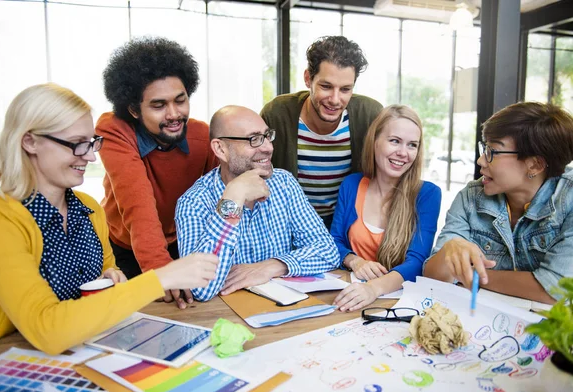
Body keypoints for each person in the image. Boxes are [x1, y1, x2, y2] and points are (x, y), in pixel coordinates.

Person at [0, 83, 218, 354]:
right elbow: (47, 328)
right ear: (30, 142)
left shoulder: (89, 209)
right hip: (13, 362)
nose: (90, 155)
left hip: (83, 353)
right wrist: (161, 278)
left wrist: (114, 277)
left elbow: (109, 271)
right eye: (76, 144)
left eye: (91, 142)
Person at [424, 102, 573, 303]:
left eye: (492, 151)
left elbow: (556, 288)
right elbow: (433, 276)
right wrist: (449, 250)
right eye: (484, 148)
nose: (481, 161)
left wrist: (472, 275)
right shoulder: (470, 197)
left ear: (535, 165)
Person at [97, 37, 217, 309]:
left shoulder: (204, 136)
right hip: (126, 247)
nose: (174, 114)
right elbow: (138, 206)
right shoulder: (114, 130)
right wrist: (160, 271)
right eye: (158, 105)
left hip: (181, 243)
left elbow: (216, 200)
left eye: (180, 100)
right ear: (133, 110)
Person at [175, 105, 340, 301]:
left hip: (286, 314)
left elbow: (328, 251)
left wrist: (271, 266)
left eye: (267, 136)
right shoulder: (193, 203)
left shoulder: (284, 183)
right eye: (254, 139)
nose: (268, 147)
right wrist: (233, 198)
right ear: (220, 149)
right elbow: (199, 288)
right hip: (226, 320)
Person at [260, 36, 383, 227]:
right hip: (289, 221)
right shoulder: (277, 113)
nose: (335, 99)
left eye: (345, 89)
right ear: (308, 79)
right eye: (326, 86)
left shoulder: (370, 115)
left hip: (345, 223)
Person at [330, 105, 441, 312]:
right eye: (395, 141)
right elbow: (333, 241)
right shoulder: (352, 185)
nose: (403, 153)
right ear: (375, 142)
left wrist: (373, 289)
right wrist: (355, 261)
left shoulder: (427, 194)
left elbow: (418, 262)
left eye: (412, 145)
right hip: (351, 295)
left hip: (396, 303)